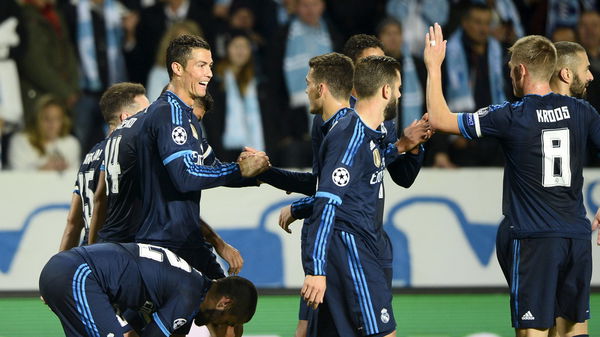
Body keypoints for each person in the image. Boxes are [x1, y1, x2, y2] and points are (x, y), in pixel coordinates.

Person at [424, 23, 598, 336]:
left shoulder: (511, 115)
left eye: (509, 70)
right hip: (576, 236)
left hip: (534, 239)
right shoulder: (583, 111)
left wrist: (434, 67)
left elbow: (439, 119)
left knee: (533, 331)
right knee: (574, 330)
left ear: (520, 71)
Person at [301, 55, 422, 337]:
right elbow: (328, 201)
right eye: (399, 87)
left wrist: (405, 146)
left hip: (357, 246)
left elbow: (351, 186)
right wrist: (316, 269)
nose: (401, 94)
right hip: (352, 249)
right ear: (386, 91)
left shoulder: (370, 133)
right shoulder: (350, 134)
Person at [134, 33, 268, 277]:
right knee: (207, 308)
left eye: (210, 66)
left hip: (186, 238)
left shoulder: (188, 119)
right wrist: (239, 170)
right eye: (201, 66)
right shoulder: (169, 114)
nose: (209, 73)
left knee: (226, 306)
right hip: (163, 242)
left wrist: (260, 171)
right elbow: (186, 176)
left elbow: (212, 167)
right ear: (177, 68)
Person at [39, 242, 257, 337]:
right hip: (80, 275)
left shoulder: (193, 288)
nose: (224, 327)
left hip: (71, 272)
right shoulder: (189, 296)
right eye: (229, 321)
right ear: (225, 303)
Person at [58, 82, 149, 251]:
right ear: (126, 118)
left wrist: (61, 263)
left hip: (88, 255)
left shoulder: (90, 156)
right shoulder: (129, 155)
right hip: (116, 256)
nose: (151, 120)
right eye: (145, 114)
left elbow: (72, 223)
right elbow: (100, 199)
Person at [8, 95, 80, 171]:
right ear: (36, 120)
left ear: (63, 121)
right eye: (46, 118)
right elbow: (16, 176)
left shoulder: (71, 143)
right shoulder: (20, 141)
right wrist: (41, 170)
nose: (52, 123)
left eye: (56, 118)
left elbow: (75, 177)